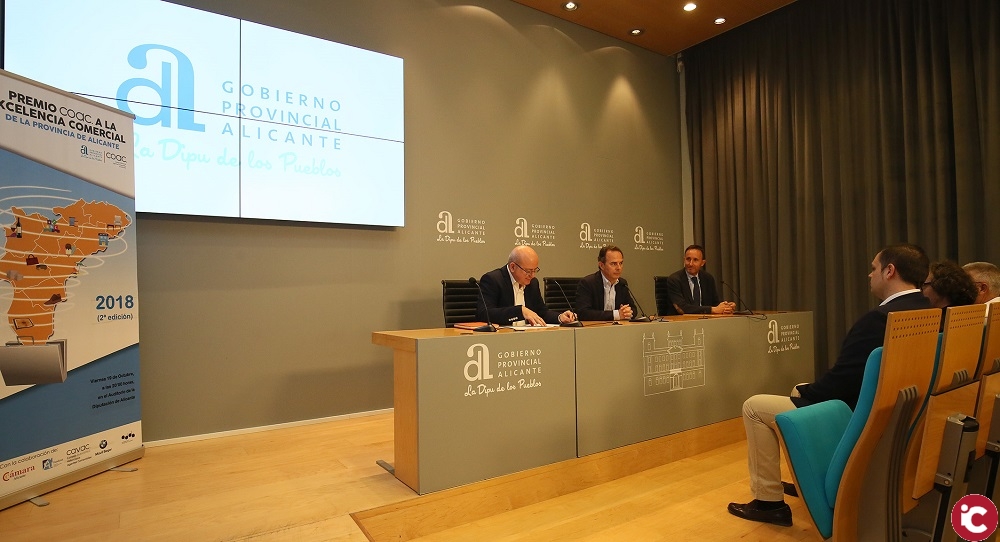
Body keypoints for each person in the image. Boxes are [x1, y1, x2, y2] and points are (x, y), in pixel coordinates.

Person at [727, 243, 931, 527]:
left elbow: (841, 383)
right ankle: (808, 479)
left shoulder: (879, 320)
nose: (869, 274)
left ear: (890, 271)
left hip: (854, 413)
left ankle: (768, 502)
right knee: (800, 390)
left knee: (754, 407)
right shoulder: (929, 311)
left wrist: (806, 391)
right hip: (893, 412)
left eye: (873, 268)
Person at [476, 245, 577, 326]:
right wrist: (519, 311)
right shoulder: (493, 279)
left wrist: (560, 317)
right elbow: (484, 314)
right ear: (512, 267)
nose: (532, 275)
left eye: (535, 270)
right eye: (528, 271)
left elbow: (541, 312)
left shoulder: (533, 283)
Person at [666, 244, 735, 315]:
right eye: (688, 259)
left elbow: (715, 304)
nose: (690, 264)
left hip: (704, 319)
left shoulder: (708, 278)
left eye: (695, 260)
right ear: (684, 260)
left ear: (702, 263)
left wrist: (726, 307)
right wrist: (712, 310)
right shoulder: (674, 280)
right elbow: (682, 308)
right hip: (681, 320)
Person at [575, 245, 635, 321]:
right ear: (601, 265)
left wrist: (628, 312)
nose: (619, 268)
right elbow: (583, 313)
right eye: (613, 264)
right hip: (595, 327)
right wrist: (616, 315)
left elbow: (633, 308)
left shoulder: (622, 283)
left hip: (618, 327)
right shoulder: (588, 283)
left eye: (620, 263)